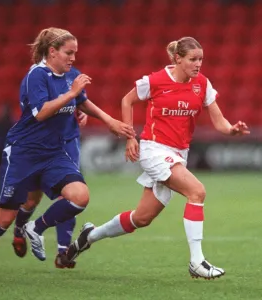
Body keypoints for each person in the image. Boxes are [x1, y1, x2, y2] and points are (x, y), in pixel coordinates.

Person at [66, 36, 250, 279]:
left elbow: (220, 121)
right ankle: (197, 262)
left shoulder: (202, 84)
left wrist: (232, 130)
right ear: (178, 59)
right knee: (197, 192)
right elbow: (127, 100)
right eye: (193, 59)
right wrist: (131, 137)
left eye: (201, 59)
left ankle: (89, 236)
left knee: (141, 218)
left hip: (178, 153)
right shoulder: (155, 80)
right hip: (154, 150)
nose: (198, 64)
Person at [0, 27, 135, 280]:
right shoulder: (37, 76)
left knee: (80, 196)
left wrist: (109, 120)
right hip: (24, 154)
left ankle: (35, 227)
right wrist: (72, 94)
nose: (73, 58)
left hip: (54, 152)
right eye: (68, 53)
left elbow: (82, 101)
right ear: (52, 52)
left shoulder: (69, 75)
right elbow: (41, 112)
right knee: (4, 219)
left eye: (75, 53)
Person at [12, 107, 87, 269]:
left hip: (68, 141)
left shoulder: (71, 80)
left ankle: (63, 252)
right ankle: (19, 230)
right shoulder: (36, 81)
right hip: (42, 143)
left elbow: (79, 95)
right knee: (32, 199)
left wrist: (82, 108)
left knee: (70, 196)